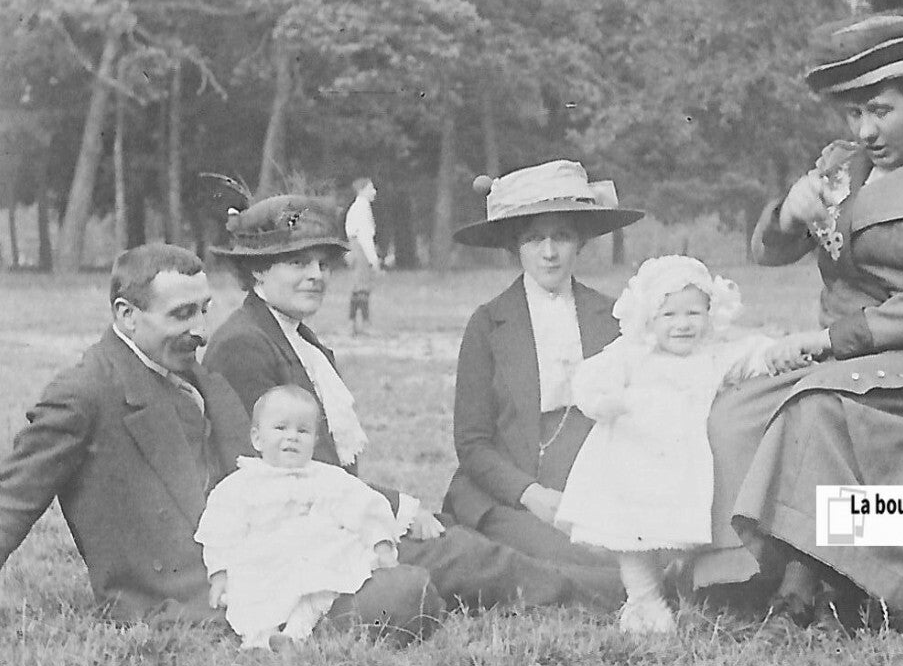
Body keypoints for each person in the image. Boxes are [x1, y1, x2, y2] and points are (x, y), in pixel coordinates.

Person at [695, 0, 903, 634]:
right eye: (852, 113)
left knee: (814, 406)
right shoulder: (841, 164)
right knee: (735, 409)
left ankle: (816, 584)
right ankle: (752, 569)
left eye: (880, 111)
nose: (864, 130)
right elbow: (770, 253)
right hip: (841, 357)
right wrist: (789, 213)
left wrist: (825, 342)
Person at [204, 192, 619, 613]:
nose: (316, 276)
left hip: (337, 512)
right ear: (257, 270)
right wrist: (397, 507)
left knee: (463, 543)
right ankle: (618, 594)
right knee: (474, 558)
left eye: (322, 264)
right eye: (298, 264)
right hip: (305, 535)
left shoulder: (292, 338)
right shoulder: (244, 346)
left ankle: (620, 584)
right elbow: (282, 476)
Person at [0, 244, 253, 624]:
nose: (201, 331)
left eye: (204, 310)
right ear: (127, 314)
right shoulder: (85, 393)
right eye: (182, 314)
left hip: (245, 569)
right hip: (172, 601)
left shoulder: (194, 377)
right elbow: (12, 499)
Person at [442, 160, 644, 608]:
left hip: (592, 481)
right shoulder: (488, 323)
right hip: (512, 491)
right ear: (515, 246)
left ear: (580, 243)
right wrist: (531, 496)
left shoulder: (613, 318)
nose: (549, 252)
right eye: (534, 239)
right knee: (580, 559)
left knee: (636, 550)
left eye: (562, 237)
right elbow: (472, 443)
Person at [555, 256, 776, 633]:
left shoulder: (712, 354)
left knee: (678, 536)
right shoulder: (633, 352)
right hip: (632, 463)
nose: (682, 324)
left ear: (711, 314)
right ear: (648, 318)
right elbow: (592, 376)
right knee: (633, 539)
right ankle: (643, 599)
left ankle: (680, 583)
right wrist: (602, 400)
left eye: (693, 313)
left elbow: (752, 355)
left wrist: (779, 353)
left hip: (683, 469)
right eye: (669, 314)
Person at [196, 385, 413, 648]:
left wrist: (381, 544)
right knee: (251, 594)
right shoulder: (240, 485)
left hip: (316, 556)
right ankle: (259, 640)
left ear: (315, 441)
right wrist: (219, 574)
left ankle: (294, 635)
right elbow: (220, 530)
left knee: (318, 589)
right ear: (257, 438)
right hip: (264, 562)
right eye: (280, 428)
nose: (292, 437)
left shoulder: (327, 478)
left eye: (303, 431)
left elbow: (364, 507)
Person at [345, 177, 381, 336]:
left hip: (356, 246)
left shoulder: (358, 207)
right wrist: (373, 259)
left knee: (358, 286)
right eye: (370, 188)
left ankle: (352, 323)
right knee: (363, 287)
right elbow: (365, 236)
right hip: (361, 248)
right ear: (362, 190)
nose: (374, 191)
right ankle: (364, 324)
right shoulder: (361, 208)